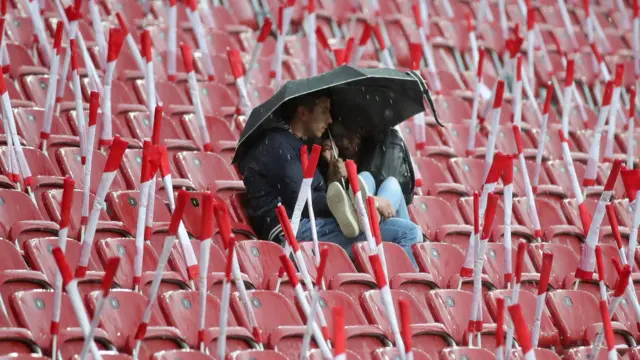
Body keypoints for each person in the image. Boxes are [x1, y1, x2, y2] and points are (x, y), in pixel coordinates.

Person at [239, 90, 421, 263]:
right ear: (302, 113)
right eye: (324, 111)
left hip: (306, 223)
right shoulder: (279, 146)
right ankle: (402, 289)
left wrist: (332, 176)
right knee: (408, 232)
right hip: (292, 232)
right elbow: (304, 202)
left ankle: (368, 215)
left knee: (370, 178)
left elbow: (311, 197)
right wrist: (364, 201)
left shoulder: (296, 145)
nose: (330, 119)